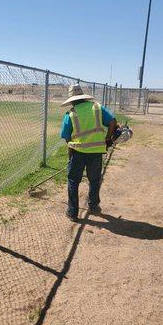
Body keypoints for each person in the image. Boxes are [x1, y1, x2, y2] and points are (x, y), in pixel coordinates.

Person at [60, 84, 117, 222]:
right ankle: (93, 205)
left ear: (72, 100)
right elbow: (113, 122)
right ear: (83, 97)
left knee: (73, 181)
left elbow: (66, 136)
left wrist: (71, 148)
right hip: (96, 151)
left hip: (77, 152)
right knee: (95, 179)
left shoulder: (70, 114)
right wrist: (107, 138)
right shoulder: (97, 108)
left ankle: (72, 212)